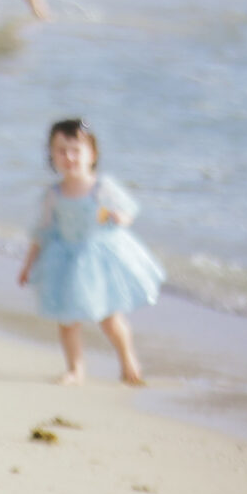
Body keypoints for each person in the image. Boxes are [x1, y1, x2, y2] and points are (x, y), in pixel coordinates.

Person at [19, 119, 160, 387]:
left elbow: (128, 211)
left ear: (92, 154)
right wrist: (28, 265)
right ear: (51, 155)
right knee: (67, 319)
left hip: (99, 259)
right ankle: (76, 369)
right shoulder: (54, 194)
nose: (69, 157)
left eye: (76, 150)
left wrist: (120, 217)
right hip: (64, 261)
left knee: (110, 317)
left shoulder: (101, 187)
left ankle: (129, 362)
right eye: (61, 151)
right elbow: (42, 232)